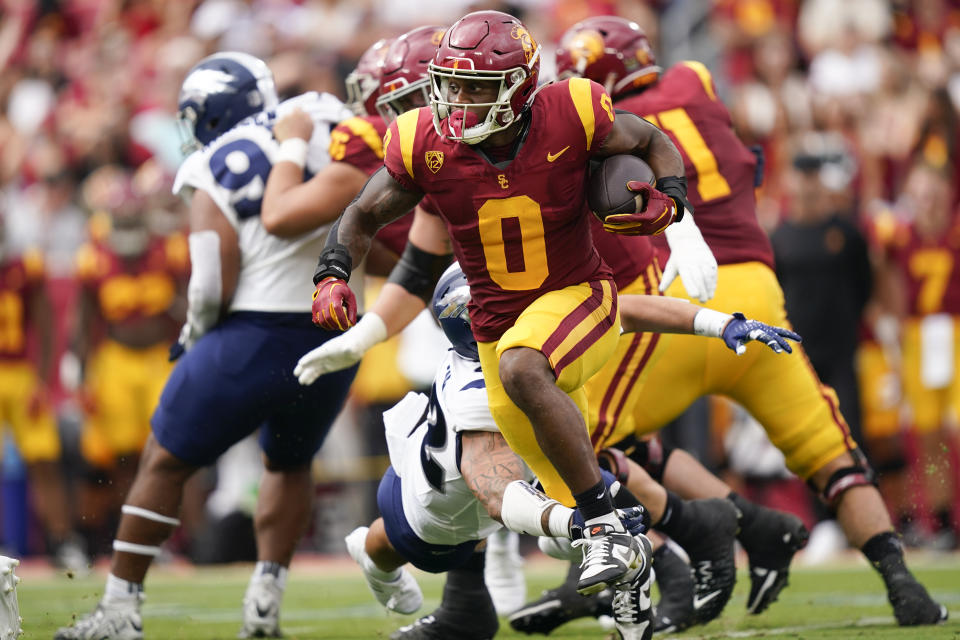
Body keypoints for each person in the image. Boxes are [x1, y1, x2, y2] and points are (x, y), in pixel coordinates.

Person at [538, 15, 946, 628]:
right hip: (756, 294)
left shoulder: (600, 135)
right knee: (829, 450)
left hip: (670, 302)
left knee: (580, 438)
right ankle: (901, 581)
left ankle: (649, 558)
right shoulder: (694, 80)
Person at [304, 9, 692, 597]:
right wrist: (332, 273)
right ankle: (631, 572)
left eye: (475, 88)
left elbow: (651, 139)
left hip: (578, 297)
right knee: (558, 501)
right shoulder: (422, 140)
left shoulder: (571, 111)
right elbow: (363, 211)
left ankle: (611, 527)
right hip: (494, 328)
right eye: (450, 84)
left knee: (524, 367)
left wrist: (671, 198)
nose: (457, 101)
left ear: (518, 89)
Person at [54, 52, 362, 640]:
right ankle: (264, 605)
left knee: (166, 458)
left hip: (255, 329)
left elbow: (212, 278)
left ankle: (120, 608)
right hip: (334, 328)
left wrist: (195, 331)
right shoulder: (320, 118)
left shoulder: (211, 162)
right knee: (289, 462)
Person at [345, 262, 798, 640]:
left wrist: (721, 323)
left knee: (590, 496)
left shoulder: (520, 345)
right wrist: (576, 522)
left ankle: (651, 561)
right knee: (382, 546)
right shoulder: (479, 392)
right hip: (438, 519)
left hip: (461, 471)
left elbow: (631, 312)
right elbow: (495, 493)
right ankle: (375, 568)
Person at [72, 166, 189, 549]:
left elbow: (193, 302)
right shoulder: (93, 256)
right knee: (121, 455)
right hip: (116, 361)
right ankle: (125, 534)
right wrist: (78, 368)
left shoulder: (168, 249)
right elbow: (86, 318)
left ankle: (171, 538)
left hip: (159, 357)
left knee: (167, 448)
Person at [868, 161, 960, 548]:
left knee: (954, 426)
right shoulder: (899, 235)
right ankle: (940, 521)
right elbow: (881, 271)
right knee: (926, 432)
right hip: (917, 335)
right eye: (920, 193)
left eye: (933, 192)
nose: (928, 201)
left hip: (955, 330)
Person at [0, 214, 87, 572]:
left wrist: (40, 380)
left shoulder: (26, 266)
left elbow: (46, 324)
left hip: (20, 373)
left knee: (44, 461)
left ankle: (64, 542)